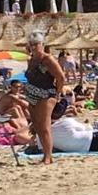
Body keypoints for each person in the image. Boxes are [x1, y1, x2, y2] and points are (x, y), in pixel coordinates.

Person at [24, 31, 66, 164]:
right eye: (32, 44)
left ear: (42, 44)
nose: (34, 47)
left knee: (44, 125)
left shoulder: (47, 59)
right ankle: (45, 155)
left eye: (36, 44)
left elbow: (61, 77)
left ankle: (48, 156)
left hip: (46, 94)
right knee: (36, 125)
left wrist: (58, 93)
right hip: (32, 96)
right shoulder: (31, 60)